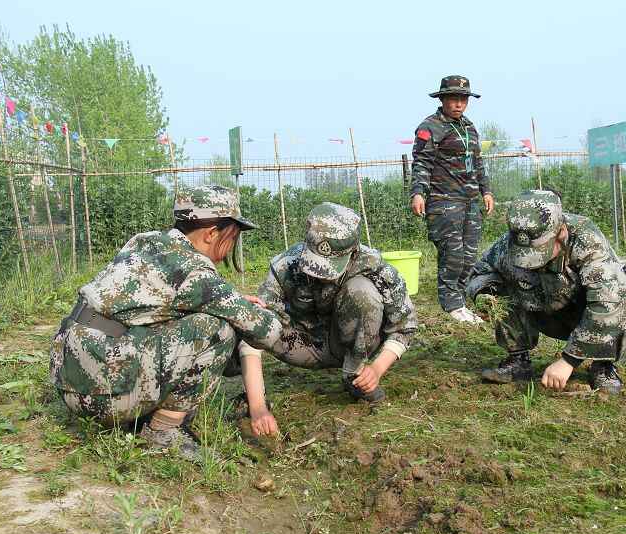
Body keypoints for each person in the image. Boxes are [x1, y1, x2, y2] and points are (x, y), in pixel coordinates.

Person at [50, 185, 283, 462]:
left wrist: (227, 301)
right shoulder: (196, 271)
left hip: (67, 377)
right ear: (211, 234)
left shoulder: (144, 241)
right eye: (232, 238)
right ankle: (163, 431)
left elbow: (152, 305)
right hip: (102, 397)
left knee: (196, 321)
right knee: (217, 330)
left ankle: (136, 408)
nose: (231, 247)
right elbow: (268, 332)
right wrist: (253, 311)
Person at [466, 190, 626, 394]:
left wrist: (569, 361)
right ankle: (518, 360)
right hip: (548, 306)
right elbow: (479, 273)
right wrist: (483, 295)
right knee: (497, 286)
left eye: (540, 250)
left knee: (625, 300)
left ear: (561, 232)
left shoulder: (586, 240)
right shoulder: (509, 243)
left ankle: (602, 363)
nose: (533, 260)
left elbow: (608, 301)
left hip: (588, 309)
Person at [249, 202, 417, 404]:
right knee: (248, 317)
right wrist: (258, 406)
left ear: (353, 253)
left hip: (353, 346)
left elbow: (405, 326)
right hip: (303, 345)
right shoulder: (286, 265)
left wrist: (376, 369)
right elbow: (256, 323)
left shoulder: (376, 270)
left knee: (362, 291)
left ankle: (355, 375)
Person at [410, 75, 494, 324]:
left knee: (469, 255)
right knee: (452, 254)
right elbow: (422, 163)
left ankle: (461, 301)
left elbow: (478, 163)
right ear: (443, 99)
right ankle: (451, 305)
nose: (459, 104)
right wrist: (418, 193)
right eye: (453, 99)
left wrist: (486, 191)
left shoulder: (469, 127)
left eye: (463, 99)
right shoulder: (430, 126)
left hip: (470, 202)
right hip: (443, 200)